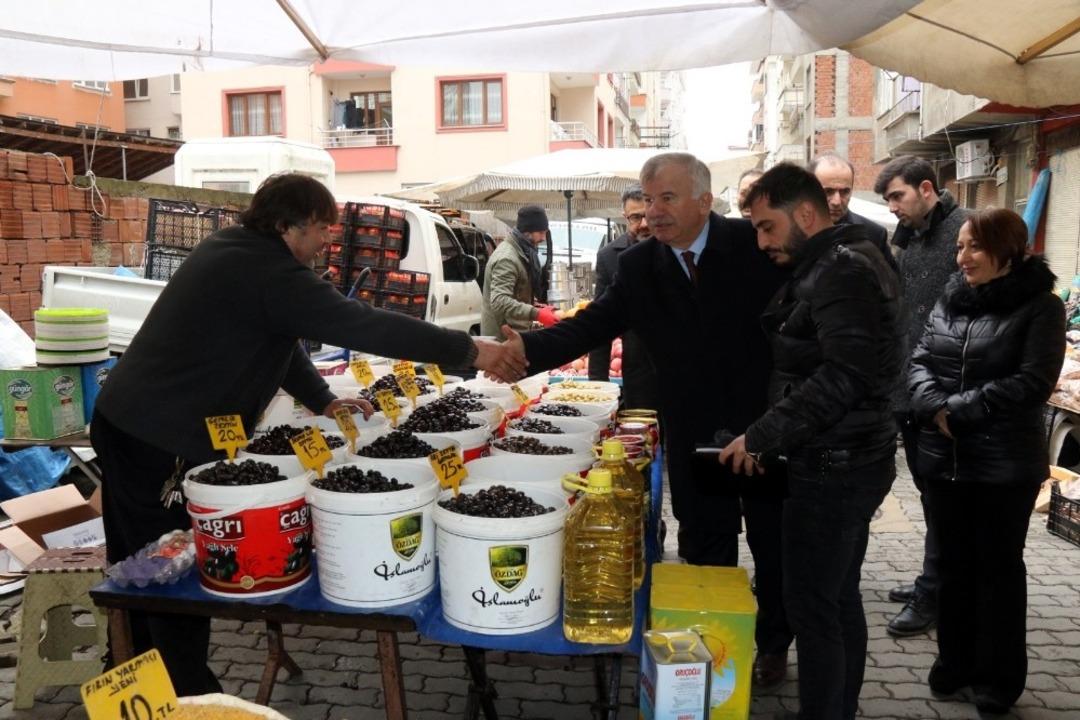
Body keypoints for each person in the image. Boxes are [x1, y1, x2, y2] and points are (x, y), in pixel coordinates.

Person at [91, 173, 526, 695]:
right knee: (162, 570)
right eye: (321, 227)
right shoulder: (263, 269)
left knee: (146, 567)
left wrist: (322, 399)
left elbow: (280, 341)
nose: (328, 240)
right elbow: (363, 323)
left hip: (141, 423)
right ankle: (175, 693)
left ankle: (139, 672)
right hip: (152, 435)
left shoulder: (240, 252)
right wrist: (474, 352)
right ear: (285, 225)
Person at [504, 152, 794, 688]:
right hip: (692, 428)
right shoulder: (640, 266)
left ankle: (774, 643)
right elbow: (591, 325)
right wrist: (525, 351)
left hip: (761, 427)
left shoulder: (750, 246)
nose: (653, 211)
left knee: (773, 543)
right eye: (647, 198)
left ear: (705, 201)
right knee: (706, 542)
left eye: (668, 198)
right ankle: (711, 636)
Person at [721, 162, 902, 720]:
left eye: (767, 226)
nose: (761, 241)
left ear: (804, 215)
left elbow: (845, 376)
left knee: (813, 608)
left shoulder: (842, 268)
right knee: (838, 597)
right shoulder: (843, 258)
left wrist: (762, 434)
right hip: (852, 456)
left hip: (833, 465)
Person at [908, 208, 1064, 715]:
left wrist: (961, 410)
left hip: (1003, 466)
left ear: (1008, 250)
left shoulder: (1040, 307)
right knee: (952, 567)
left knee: (996, 571)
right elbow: (919, 360)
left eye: (974, 246)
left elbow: (1033, 381)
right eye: (959, 247)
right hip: (944, 458)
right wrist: (933, 404)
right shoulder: (951, 299)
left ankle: (998, 678)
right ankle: (953, 664)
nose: (963, 256)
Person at [873, 155, 970, 638]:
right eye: (887, 199)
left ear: (926, 188)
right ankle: (932, 581)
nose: (892, 207)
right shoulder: (908, 237)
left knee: (943, 498)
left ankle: (936, 591)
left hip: (944, 395)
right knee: (929, 495)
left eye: (897, 196)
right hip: (908, 389)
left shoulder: (965, 231)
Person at [587, 184, 659, 410]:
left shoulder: (676, 247)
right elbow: (599, 324)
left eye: (648, 216)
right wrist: (598, 384)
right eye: (636, 217)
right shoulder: (609, 257)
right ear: (624, 217)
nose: (644, 224)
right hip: (637, 376)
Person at [480, 204, 561, 340]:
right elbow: (499, 301)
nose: (543, 238)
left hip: (514, 335)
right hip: (501, 340)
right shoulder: (507, 259)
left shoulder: (522, 252)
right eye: (541, 232)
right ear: (527, 231)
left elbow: (516, 292)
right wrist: (536, 314)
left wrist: (535, 305)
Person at [808, 153, 897, 272]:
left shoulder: (873, 234)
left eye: (844, 192)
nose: (837, 201)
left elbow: (889, 287)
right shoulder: (789, 233)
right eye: (828, 191)